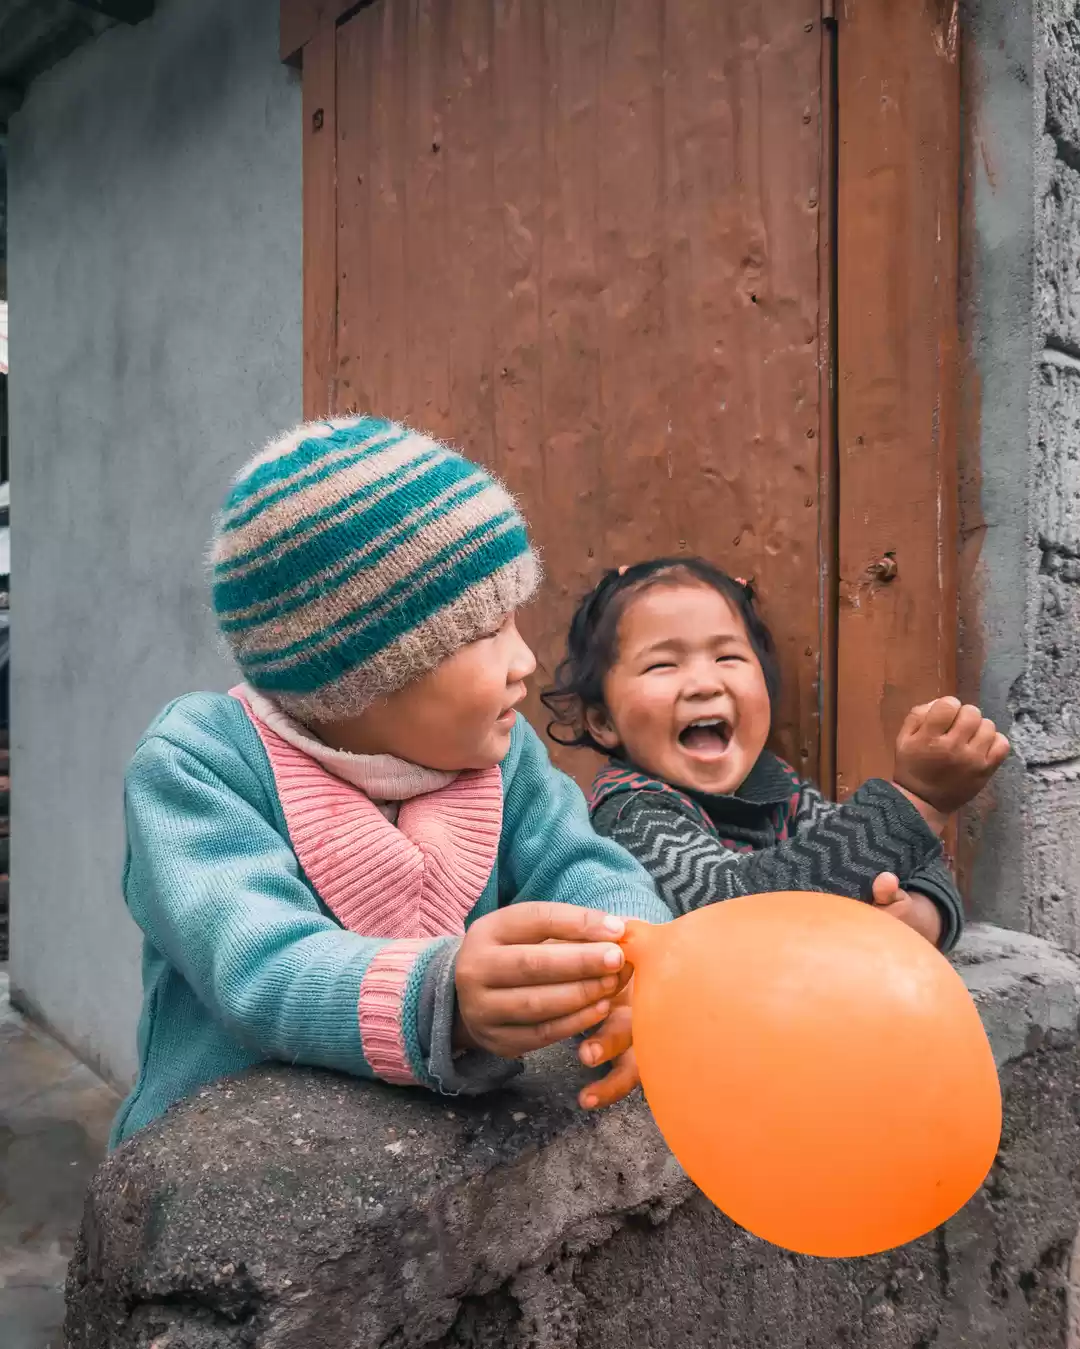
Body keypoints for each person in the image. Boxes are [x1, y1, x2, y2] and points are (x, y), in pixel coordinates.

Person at [111, 417, 671, 1146]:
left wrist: (637, 963)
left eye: (515, 620)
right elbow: (259, 959)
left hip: (433, 1170)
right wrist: (443, 1000)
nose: (525, 659)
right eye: (483, 632)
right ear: (360, 673)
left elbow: (585, 868)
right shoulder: (199, 764)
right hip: (236, 1176)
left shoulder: (501, 755)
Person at [542, 557, 1010, 950]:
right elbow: (736, 907)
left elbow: (913, 857)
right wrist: (919, 802)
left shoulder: (778, 787)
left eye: (728, 658)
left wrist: (916, 918)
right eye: (663, 664)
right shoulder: (631, 812)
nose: (706, 684)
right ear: (602, 721)